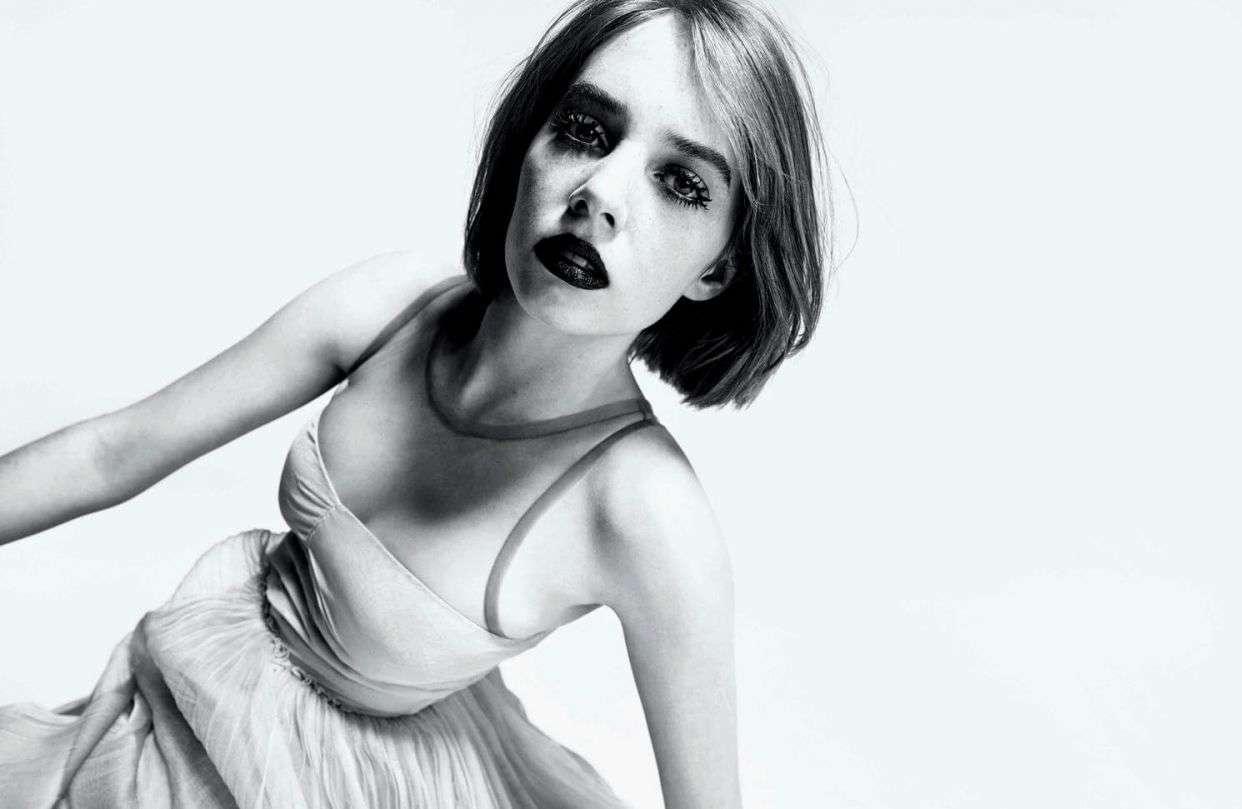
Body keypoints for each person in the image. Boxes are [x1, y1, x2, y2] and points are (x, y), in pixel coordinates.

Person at [0, 0, 829, 806]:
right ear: (528, 141)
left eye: (681, 182)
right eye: (584, 130)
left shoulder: (647, 511)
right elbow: (114, 451)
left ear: (717, 269)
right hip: (186, 706)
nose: (599, 193)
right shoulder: (397, 302)